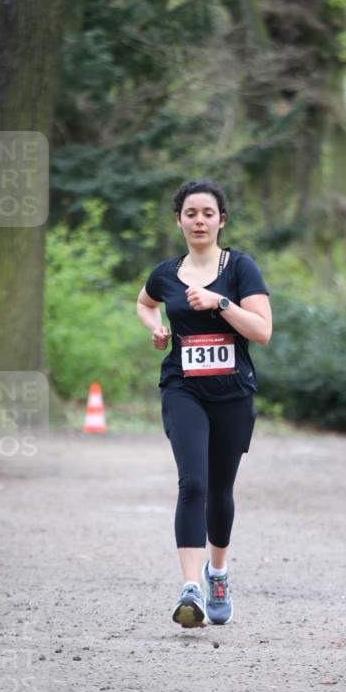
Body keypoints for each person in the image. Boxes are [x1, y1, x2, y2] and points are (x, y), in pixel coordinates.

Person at [136, 179, 272, 628]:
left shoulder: (240, 268)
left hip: (232, 393)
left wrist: (221, 302)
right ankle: (190, 588)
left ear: (221, 220)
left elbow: (262, 331)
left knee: (219, 491)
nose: (199, 221)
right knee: (192, 483)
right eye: (190, 213)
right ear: (178, 220)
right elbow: (145, 303)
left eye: (207, 213)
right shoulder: (165, 273)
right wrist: (156, 328)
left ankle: (218, 573)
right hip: (184, 388)